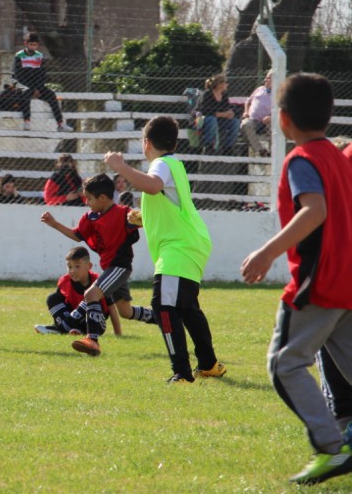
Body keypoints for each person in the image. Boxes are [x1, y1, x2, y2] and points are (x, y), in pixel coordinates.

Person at [240, 73, 352, 485]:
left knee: (285, 364)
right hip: (347, 282)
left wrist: (266, 252)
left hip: (318, 285)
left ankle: (331, 447)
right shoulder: (340, 159)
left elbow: (315, 211)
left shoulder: (302, 160)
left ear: (282, 120)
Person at [105, 115, 225, 383]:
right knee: (186, 307)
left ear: (146, 143)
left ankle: (181, 372)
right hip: (191, 243)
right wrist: (143, 218)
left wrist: (120, 166)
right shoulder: (175, 164)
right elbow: (169, 203)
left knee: (163, 306)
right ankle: (209, 364)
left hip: (178, 248)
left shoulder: (160, 164)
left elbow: (153, 185)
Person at [41, 173, 155, 349]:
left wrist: (143, 217)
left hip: (120, 267)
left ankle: (92, 340)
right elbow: (77, 235)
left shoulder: (124, 214)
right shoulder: (90, 217)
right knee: (126, 311)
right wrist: (55, 224)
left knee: (91, 294)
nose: (87, 203)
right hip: (110, 269)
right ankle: (162, 317)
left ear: (102, 198)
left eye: (89, 199)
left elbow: (149, 220)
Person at [34, 246, 112, 343]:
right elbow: (59, 306)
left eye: (77, 266)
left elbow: (111, 307)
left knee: (88, 301)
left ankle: (60, 329)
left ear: (89, 266)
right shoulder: (64, 282)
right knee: (52, 298)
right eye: (69, 267)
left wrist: (118, 333)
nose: (72, 270)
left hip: (96, 324)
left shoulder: (99, 282)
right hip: (72, 320)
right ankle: (69, 329)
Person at [13, 32, 67, 132]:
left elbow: (42, 74)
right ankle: (27, 121)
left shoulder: (39, 56)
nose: (32, 47)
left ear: (37, 45)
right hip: (24, 85)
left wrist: (38, 88)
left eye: (34, 44)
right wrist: (32, 89)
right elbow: (18, 75)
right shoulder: (19, 56)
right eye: (30, 44)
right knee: (25, 95)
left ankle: (60, 123)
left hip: (37, 86)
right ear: (26, 43)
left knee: (51, 95)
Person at [197, 73, 238, 153]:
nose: (227, 84)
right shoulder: (207, 94)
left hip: (219, 121)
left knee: (235, 122)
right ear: (220, 84)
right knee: (212, 119)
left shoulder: (224, 95)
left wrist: (230, 113)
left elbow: (226, 108)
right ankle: (208, 146)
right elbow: (205, 111)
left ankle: (228, 148)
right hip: (204, 120)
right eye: (225, 82)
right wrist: (223, 114)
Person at [241, 71, 273, 157]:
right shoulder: (260, 89)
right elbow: (248, 101)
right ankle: (260, 150)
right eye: (265, 78)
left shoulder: (279, 93)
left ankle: (273, 152)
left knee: (274, 125)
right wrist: (246, 112)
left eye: (268, 78)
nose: (265, 80)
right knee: (245, 124)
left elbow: (282, 109)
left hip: (268, 122)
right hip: (253, 120)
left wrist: (271, 117)